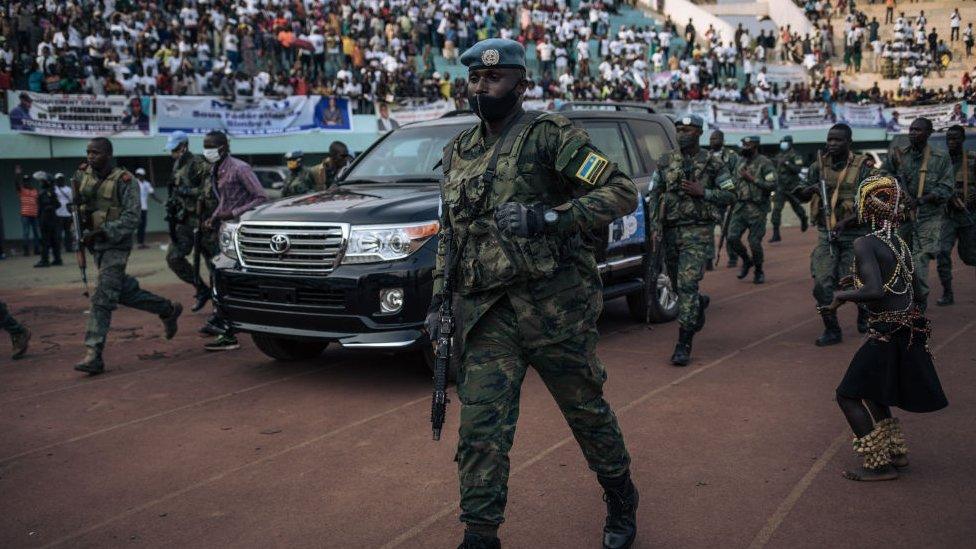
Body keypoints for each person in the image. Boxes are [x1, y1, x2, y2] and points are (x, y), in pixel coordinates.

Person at [431, 39, 638, 549]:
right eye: (476, 78)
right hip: (487, 314)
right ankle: (481, 534)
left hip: (554, 309)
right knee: (481, 430)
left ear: (521, 85)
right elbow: (450, 234)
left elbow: (620, 189)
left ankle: (619, 495)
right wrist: (439, 302)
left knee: (586, 413)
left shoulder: (549, 135)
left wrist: (550, 216)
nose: (482, 87)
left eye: (494, 79)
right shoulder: (459, 151)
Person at [825, 174, 947, 482]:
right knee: (873, 392)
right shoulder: (898, 243)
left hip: (887, 332)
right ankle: (896, 452)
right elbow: (910, 288)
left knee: (847, 395)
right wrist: (856, 284)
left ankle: (878, 465)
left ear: (865, 207)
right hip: (904, 329)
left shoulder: (864, 242)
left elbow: (877, 291)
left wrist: (842, 296)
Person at [73, 138, 183, 375]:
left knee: (102, 297)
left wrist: (103, 231)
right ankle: (167, 309)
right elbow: (79, 207)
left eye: (96, 153)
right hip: (96, 247)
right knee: (124, 291)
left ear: (109, 154)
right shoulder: (82, 176)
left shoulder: (126, 180)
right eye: (88, 152)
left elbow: (132, 219)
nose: (91, 157)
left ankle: (94, 353)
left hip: (116, 245)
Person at [651, 115, 735, 366]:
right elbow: (655, 194)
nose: (681, 133)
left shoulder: (713, 163)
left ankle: (683, 343)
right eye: (678, 129)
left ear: (698, 132)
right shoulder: (665, 161)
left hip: (697, 232)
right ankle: (697, 303)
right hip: (670, 231)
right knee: (677, 286)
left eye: (686, 129)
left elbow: (731, 194)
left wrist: (704, 192)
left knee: (687, 285)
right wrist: (656, 225)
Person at [796, 124, 876, 346]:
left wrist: (846, 222)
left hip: (856, 234)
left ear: (849, 142)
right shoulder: (817, 166)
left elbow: (873, 203)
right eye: (830, 139)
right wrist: (808, 190)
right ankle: (832, 329)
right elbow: (801, 194)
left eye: (838, 140)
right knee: (822, 283)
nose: (832, 143)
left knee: (854, 283)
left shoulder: (864, 167)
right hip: (826, 234)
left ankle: (864, 311)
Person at [202, 130, 268, 351]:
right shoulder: (216, 169)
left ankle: (231, 329)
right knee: (218, 277)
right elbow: (224, 201)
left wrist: (233, 213)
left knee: (232, 280)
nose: (206, 151)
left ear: (222, 147)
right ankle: (223, 324)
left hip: (242, 232)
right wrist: (214, 218)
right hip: (225, 231)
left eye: (210, 146)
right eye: (205, 146)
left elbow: (260, 197)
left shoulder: (240, 168)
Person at [879, 118, 954, 310]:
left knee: (920, 259)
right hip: (903, 217)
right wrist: (893, 183)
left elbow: (946, 188)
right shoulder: (899, 155)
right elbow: (881, 173)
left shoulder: (940, 158)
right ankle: (900, 299)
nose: (913, 133)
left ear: (928, 133)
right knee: (896, 258)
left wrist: (921, 199)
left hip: (928, 217)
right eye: (911, 129)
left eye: (918, 130)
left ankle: (918, 302)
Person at [164, 130, 218, 313]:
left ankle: (221, 304)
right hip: (184, 221)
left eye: (175, 149)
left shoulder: (198, 164)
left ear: (184, 146)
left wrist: (186, 192)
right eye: (171, 149)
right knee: (173, 258)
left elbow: (209, 192)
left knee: (213, 264)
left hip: (202, 221)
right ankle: (202, 290)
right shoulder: (177, 165)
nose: (172, 152)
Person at [727, 136, 777, 284]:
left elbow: (773, 184)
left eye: (747, 145)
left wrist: (753, 179)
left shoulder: (765, 163)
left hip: (757, 209)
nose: (743, 147)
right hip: (740, 207)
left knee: (754, 242)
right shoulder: (740, 162)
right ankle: (746, 260)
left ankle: (759, 270)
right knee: (732, 238)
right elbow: (734, 182)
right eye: (743, 144)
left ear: (755, 146)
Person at [935, 125, 976, 305]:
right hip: (948, 216)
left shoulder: (972, 160)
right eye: (949, 138)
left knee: (969, 257)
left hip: (969, 216)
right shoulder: (940, 162)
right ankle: (948, 293)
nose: (951, 142)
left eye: (955, 138)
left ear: (962, 140)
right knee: (942, 252)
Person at [708, 130, 740, 269]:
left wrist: (728, 190)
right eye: (710, 139)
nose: (712, 141)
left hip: (726, 199)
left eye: (715, 138)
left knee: (728, 231)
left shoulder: (731, 156)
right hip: (711, 200)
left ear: (722, 140)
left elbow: (736, 175)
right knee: (707, 230)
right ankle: (708, 259)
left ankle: (733, 257)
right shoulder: (706, 156)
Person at [770, 136, 810, 242]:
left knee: (796, 206)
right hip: (780, 188)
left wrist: (787, 163)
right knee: (776, 210)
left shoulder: (795, 155)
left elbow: (798, 169)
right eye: (782, 142)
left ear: (790, 143)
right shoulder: (779, 155)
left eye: (785, 142)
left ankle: (804, 219)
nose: (783, 144)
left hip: (792, 187)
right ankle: (776, 234)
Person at [34, 171, 62, 268]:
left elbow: (47, 205)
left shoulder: (45, 192)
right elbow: (57, 204)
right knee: (54, 240)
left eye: (41, 181)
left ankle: (44, 260)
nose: (40, 183)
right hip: (52, 219)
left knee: (45, 241)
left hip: (46, 220)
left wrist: (43, 215)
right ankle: (57, 259)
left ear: (46, 182)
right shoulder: (52, 191)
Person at [14, 168, 41, 257]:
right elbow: (17, 184)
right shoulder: (22, 190)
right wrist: (17, 174)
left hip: (34, 215)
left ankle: (37, 250)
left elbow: (37, 202)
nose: (27, 182)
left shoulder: (34, 191)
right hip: (25, 215)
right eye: (25, 181)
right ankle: (26, 251)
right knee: (26, 233)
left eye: (28, 181)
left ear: (30, 181)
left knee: (36, 233)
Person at [135, 168, 160, 249]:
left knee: (142, 225)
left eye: (141, 175)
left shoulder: (146, 184)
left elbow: (152, 194)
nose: (139, 177)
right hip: (136, 208)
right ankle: (139, 242)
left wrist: (161, 201)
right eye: (138, 175)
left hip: (144, 208)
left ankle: (141, 243)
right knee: (138, 225)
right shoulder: (134, 183)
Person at [54, 173, 74, 253]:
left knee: (68, 232)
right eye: (58, 179)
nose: (60, 180)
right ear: (56, 180)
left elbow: (72, 201)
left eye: (61, 179)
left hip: (67, 214)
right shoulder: (54, 189)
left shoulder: (69, 189)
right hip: (58, 214)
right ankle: (57, 248)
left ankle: (68, 248)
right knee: (58, 232)